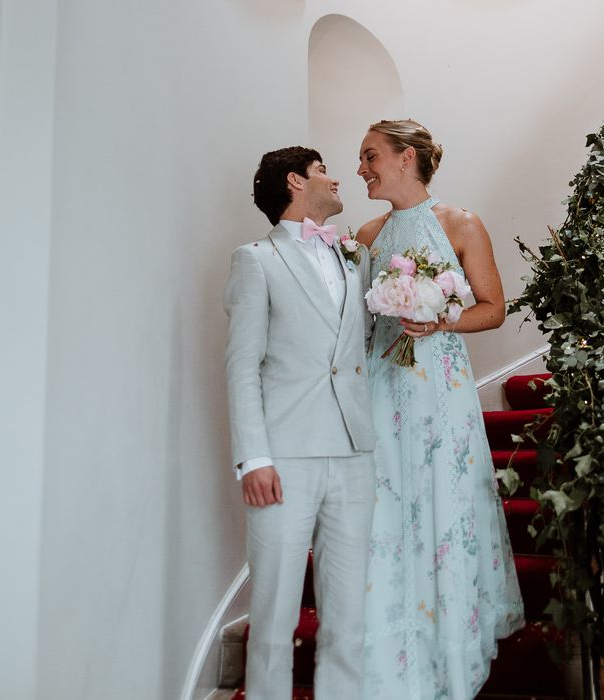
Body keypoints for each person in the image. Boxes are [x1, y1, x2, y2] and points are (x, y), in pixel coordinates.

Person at [354, 120, 525, 699]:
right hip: (382, 383)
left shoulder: (461, 224)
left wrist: (440, 319)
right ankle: (390, 641)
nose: (361, 170)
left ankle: (451, 636)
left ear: (406, 158)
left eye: (370, 156)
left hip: (439, 386)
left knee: (441, 497)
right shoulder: (368, 233)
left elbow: (494, 308)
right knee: (386, 499)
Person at [223, 146, 376, 700]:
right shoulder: (255, 260)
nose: (337, 179)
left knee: (348, 615)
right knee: (274, 615)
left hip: (357, 451)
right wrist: (254, 458)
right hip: (284, 456)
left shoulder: (355, 259)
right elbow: (242, 366)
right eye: (322, 171)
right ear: (295, 181)